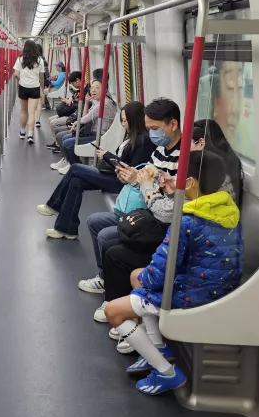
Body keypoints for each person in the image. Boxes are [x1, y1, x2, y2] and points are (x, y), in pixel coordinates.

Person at [103, 149, 243, 395]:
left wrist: (146, 279)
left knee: (113, 310)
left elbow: (158, 275)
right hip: (219, 286)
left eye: (179, 177)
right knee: (137, 275)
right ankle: (158, 346)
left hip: (195, 295)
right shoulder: (227, 210)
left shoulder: (186, 221)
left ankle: (166, 372)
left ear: (189, 182)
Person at [86, 97, 184, 325]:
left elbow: (164, 204)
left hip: (161, 220)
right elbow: (148, 181)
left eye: (155, 129)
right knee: (94, 222)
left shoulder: (184, 158)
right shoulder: (160, 150)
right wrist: (133, 179)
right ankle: (107, 284)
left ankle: (117, 303)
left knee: (109, 240)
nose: (151, 134)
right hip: (150, 211)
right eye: (148, 128)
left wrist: (144, 183)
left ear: (173, 124)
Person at [40, 101, 154, 242]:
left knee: (75, 168)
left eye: (125, 120)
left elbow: (133, 170)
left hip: (122, 182)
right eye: (122, 120)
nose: (123, 124)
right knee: (76, 181)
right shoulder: (132, 136)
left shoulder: (144, 140)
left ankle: (54, 205)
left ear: (134, 120)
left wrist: (107, 156)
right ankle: (67, 229)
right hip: (116, 175)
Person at [51, 80, 116, 173]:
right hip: (93, 133)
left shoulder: (104, 104)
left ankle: (76, 167)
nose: (93, 90)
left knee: (67, 143)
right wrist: (86, 103)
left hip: (99, 136)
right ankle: (72, 164)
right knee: (64, 138)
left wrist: (76, 123)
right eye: (92, 88)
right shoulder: (97, 102)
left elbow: (86, 118)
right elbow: (86, 116)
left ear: (105, 90)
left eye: (97, 88)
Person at [192, 118, 243, 204]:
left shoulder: (211, 173)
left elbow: (196, 204)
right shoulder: (227, 164)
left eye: (188, 142)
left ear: (201, 143)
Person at [13, 41, 44, 143]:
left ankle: (22, 132)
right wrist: (42, 88)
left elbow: (16, 74)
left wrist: (21, 80)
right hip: (35, 88)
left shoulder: (20, 59)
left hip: (23, 87)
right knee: (32, 112)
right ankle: (30, 134)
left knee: (23, 111)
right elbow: (41, 76)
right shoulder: (40, 60)